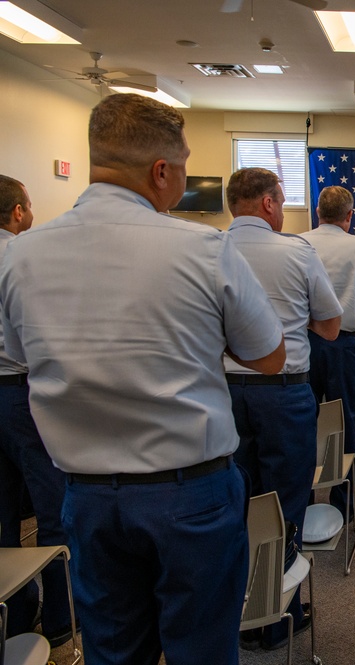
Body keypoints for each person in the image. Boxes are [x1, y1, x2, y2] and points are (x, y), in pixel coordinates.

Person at [0, 94, 286, 665]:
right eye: (182, 163)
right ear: (162, 171)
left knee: (113, 650)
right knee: (201, 648)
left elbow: (19, 358)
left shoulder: (18, 257)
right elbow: (271, 357)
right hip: (190, 495)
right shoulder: (205, 249)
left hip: (86, 496)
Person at [223, 168, 342, 651]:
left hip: (223, 394)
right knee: (284, 501)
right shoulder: (296, 252)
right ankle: (275, 617)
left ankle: (234, 607)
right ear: (270, 204)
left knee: (232, 500)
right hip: (283, 391)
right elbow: (332, 327)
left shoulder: (205, 249)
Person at [0, 176, 73, 646]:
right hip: (21, 392)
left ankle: (16, 617)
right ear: (20, 212)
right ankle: (64, 617)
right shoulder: (23, 257)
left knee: (4, 514)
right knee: (52, 507)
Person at [302, 186, 355, 523]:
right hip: (345, 343)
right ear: (349, 216)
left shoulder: (298, 243)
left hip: (304, 343)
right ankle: (342, 501)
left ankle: (305, 499)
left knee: (304, 420)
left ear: (317, 212)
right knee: (345, 420)